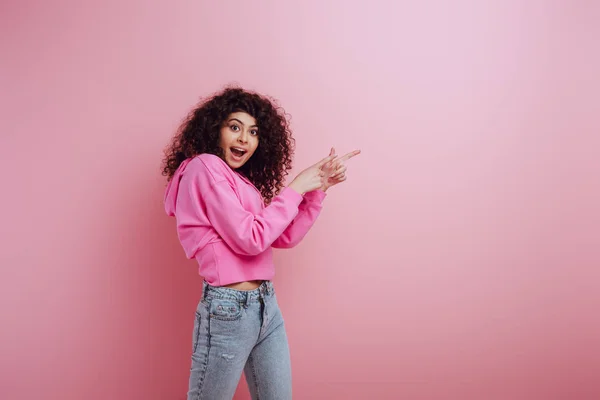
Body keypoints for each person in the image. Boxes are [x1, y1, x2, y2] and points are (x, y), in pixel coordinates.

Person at [162, 87, 360, 399]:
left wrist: (317, 189)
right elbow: (251, 239)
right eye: (234, 127)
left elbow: (282, 236)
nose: (244, 139)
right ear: (215, 129)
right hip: (227, 309)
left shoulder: (240, 183)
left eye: (253, 132)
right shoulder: (203, 168)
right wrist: (295, 186)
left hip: (266, 307)